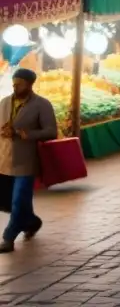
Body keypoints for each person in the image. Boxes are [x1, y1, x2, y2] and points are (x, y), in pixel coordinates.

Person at [0, 69, 57, 253]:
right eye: (14, 83)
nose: (15, 87)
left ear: (30, 84)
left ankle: (8, 238)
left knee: (18, 200)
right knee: (9, 201)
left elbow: (51, 132)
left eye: (20, 84)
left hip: (26, 162)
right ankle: (31, 222)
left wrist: (28, 134)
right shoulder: (4, 103)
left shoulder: (42, 105)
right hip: (4, 159)